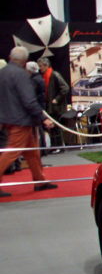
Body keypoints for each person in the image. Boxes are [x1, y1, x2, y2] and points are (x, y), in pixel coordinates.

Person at [0, 47, 58, 197]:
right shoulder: (20, 75)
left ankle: (40, 181)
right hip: (21, 120)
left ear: (10, 56)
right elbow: (29, 101)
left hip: (9, 118)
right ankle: (40, 181)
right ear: (25, 61)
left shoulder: (3, 72)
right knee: (11, 153)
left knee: (32, 153)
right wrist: (43, 118)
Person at [37, 57, 70, 149]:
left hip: (56, 107)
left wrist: (57, 99)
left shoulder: (55, 75)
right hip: (50, 106)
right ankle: (54, 146)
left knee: (55, 127)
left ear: (46, 65)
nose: (40, 68)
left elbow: (65, 88)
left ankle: (58, 146)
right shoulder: (43, 76)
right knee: (51, 127)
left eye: (41, 66)